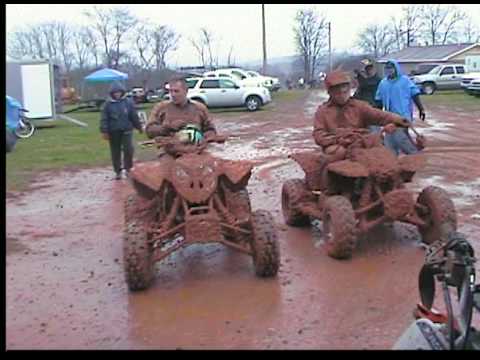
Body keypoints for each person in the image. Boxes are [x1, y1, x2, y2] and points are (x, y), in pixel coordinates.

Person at [312, 71, 410, 189]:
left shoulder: (359, 106)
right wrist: (336, 140)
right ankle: (329, 186)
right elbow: (318, 134)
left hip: (360, 143)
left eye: (345, 91)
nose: (342, 95)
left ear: (349, 89)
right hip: (337, 145)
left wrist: (397, 119)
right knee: (339, 153)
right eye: (338, 92)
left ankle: (388, 184)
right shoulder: (323, 111)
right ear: (330, 92)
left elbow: (378, 115)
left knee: (381, 151)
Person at [375, 59, 426, 156]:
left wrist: (421, 109)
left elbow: (414, 94)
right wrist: (378, 117)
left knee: (400, 138)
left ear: (396, 69)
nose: (389, 70)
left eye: (391, 68)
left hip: (403, 117)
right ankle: (392, 162)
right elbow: (379, 100)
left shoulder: (405, 81)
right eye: (387, 68)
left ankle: (415, 156)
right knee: (389, 141)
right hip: (389, 118)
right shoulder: (383, 83)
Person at [145, 76, 216, 140]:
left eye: (176, 91)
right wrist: (168, 127)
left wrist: (204, 136)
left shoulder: (199, 108)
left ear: (186, 91)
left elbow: (210, 129)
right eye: (170, 91)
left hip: (196, 149)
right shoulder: (161, 107)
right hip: (169, 149)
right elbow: (149, 130)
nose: (173, 94)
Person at [100, 81, 143, 180]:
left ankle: (128, 168)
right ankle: (118, 171)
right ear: (112, 93)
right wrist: (104, 131)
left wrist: (139, 127)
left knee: (129, 149)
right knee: (115, 151)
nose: (117, 94)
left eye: (119, 92)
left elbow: (134, 116)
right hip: (113, 131)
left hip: (127, 129)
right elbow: (104, 119)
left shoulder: (128, 102)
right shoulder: (107, 105)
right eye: (115, 93)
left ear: (122, 92)